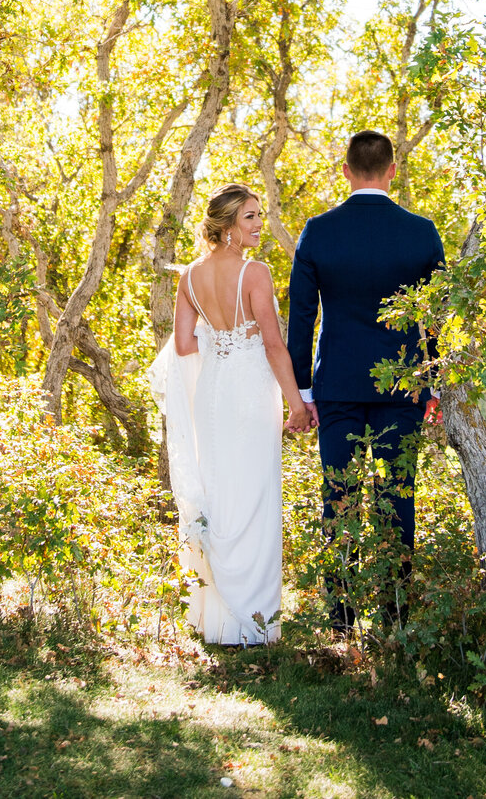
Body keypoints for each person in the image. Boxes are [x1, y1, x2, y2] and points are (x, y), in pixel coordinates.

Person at [287, 129, 445, 633]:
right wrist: (433, 383)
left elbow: (301, 319)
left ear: (346, 170)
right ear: (392, 170)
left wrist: (303, 390)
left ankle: (339, 621)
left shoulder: (318, 230)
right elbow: (436, 317)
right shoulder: (422, 232)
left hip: (335, 385)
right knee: (398, 496)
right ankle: (397, 616)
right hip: (402, 386)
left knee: (339, 496)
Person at [149, 184, 310, 645]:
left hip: (214, 392)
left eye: (260, 215)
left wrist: (222, 343)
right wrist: (297, 404)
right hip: (249, 393)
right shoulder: (254, 273)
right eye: (250, 218)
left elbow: (183, 344)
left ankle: (218, 619)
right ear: (227, 226)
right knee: (254, 496)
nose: (259, 224)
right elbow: (274, 345)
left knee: (220, 490)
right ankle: (254, 624)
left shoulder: (189, 276)